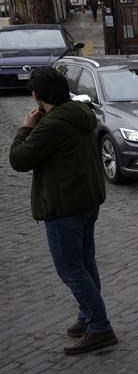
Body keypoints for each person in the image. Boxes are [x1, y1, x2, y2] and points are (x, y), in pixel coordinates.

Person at [9, 67, 114, 355]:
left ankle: (100, 326)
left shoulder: (51, 125)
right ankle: (86, 317)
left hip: (64, 205)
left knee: (70, 269)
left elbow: (19, 159)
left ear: (37, 94)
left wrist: (25, 129)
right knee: (85, 262)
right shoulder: (79, 114)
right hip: (86, 200)